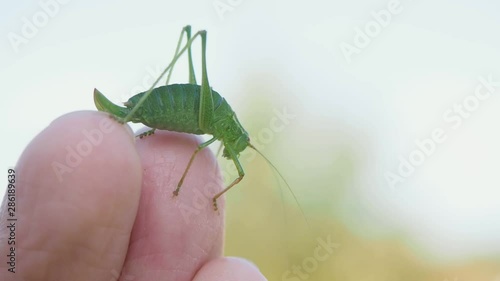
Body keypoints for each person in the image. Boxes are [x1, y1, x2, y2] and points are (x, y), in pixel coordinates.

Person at [0, 111, 266, 281]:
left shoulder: (228, 129)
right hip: (193, 110)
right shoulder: (223, 122)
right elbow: (197, 152)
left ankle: (148, 110)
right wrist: (183, 188)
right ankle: (149, 106)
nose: (239, 147)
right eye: (241, 142)